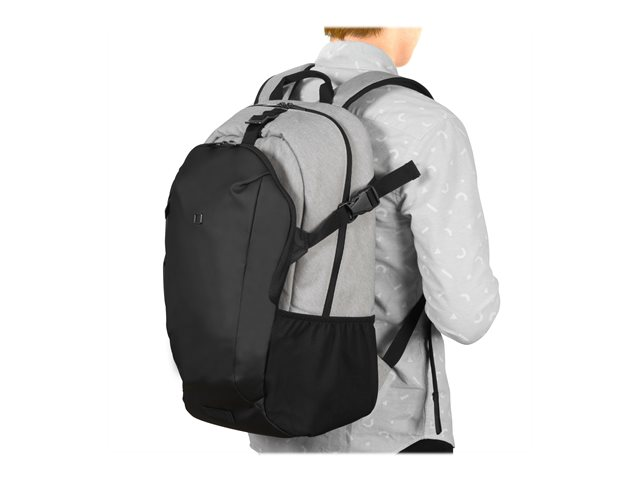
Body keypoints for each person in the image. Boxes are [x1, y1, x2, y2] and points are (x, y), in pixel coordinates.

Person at [249, 27, 500, 454]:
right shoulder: (425, 124)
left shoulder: (275, 98)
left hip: (273, 415)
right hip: (386, 423)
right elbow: (466, 317)